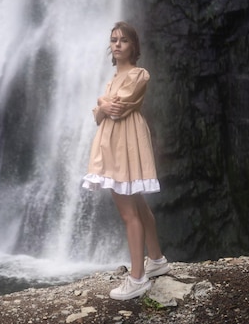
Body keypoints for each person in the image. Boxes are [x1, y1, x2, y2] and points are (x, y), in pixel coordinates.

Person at [82, 21, 170, 301]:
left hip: (126, 142)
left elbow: (116, 110)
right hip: (114, 142)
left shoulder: (138, 74)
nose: (117, 44)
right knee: (139, 204)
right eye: (113, 40)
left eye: (123, 40)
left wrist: (102, 103)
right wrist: (102, 104)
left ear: (134, 46)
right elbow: (98, 115)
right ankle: (155, 260)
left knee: (128, 213)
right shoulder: (112, 80)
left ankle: (137, 278)